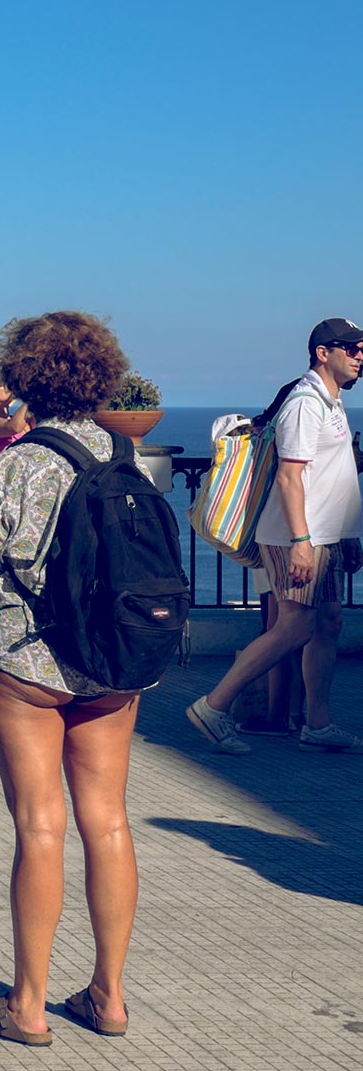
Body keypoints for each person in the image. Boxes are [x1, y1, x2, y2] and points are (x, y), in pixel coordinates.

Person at [0, 310, 141, 1045]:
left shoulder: (18, 464)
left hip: (30, 663)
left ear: (24, 376)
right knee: (109, 821)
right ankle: (109, 997)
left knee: (40, 824)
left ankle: (27, 1005)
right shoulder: (125, 454)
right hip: (115, 664)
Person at [187, 317, 363, 755]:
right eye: (352, 348)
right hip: (294, 538)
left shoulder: (331, 401)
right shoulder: (305, 402)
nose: (360, 356)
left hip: (323, 536)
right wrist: (302, 541)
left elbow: (331, 476)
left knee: (327, 624)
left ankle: (317, 725)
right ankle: (214, 706)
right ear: (323, 353)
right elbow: (289, 478)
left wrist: (345, 535)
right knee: (294, 626)